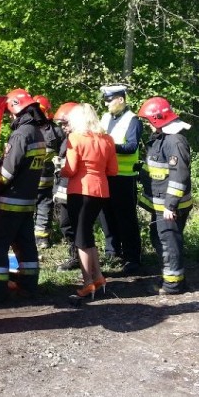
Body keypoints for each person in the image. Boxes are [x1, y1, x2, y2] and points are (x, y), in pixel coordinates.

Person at [0, 89, 47, 303]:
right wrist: (0, 161)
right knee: (25, 244)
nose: (9, 117)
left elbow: (8, 173)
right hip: (27, 201)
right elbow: (22, 165)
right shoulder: (37, 133)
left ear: (15, 110)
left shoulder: (20, 134)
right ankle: (28, 287)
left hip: (10, 201)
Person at [60, 104, 118, 303]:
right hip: (101, 191)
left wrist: (58, 168)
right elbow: (113, 170)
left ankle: (87, 283)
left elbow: (70, 169)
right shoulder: (107, 139)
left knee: (81, 238)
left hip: (80, 190)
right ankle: (99, 277)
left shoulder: (75, 138)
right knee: (88, 235)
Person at [137, 96, 193, 295]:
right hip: (161, 204)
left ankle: (173, 284)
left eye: (148, 121)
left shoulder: (174, 141)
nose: (147, 125)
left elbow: (179, 175)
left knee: (168, 243)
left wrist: (171, 206)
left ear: (157, 119)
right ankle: (173, 278)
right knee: (161, 240)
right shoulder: (162, 139)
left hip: (170, 207)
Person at [97, 84, 144, 275]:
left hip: (124, 177)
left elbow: (132, 147)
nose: (106, 104)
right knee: (106, 216)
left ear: (121, 100)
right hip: (106, 174)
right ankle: (112, 252)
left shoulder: (133, 120)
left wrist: (108, 147)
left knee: (127, 219)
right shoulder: (106, 117)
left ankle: (132, 257)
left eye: (109, 100)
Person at [32, 95, 66, 250]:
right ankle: (38, 239)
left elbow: (64, 153)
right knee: (38, 208)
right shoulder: (53, 130)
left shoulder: (55, 130)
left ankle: (40, 238)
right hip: (35, 179)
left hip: (41, 179)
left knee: (42, 207)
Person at [52, 102, 81, 271]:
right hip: (64, 189)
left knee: (73, 224)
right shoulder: (68, 139)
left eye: (65, 124)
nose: (63, 127)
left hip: (75, 189)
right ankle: (74, 255)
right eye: (61, 124)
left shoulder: (78, 139)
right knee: (66, 224)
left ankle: (77, 257)